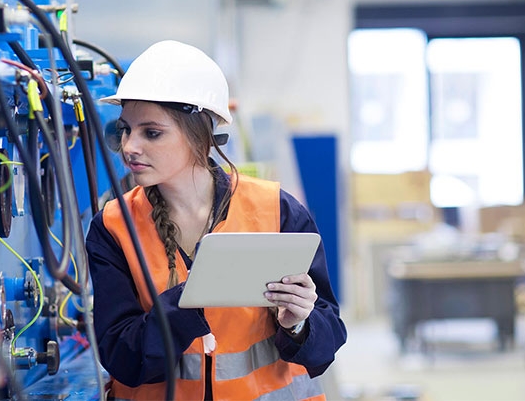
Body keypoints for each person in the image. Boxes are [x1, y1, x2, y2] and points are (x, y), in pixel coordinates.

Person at [86, 40, 347, 400]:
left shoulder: (276, 210)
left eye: (152, 132)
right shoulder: (114, 226)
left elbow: (326, 343)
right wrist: (186, 304)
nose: (130, 146)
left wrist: (299, 323)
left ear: (200, 136)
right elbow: (122, 358)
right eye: (125, 130)